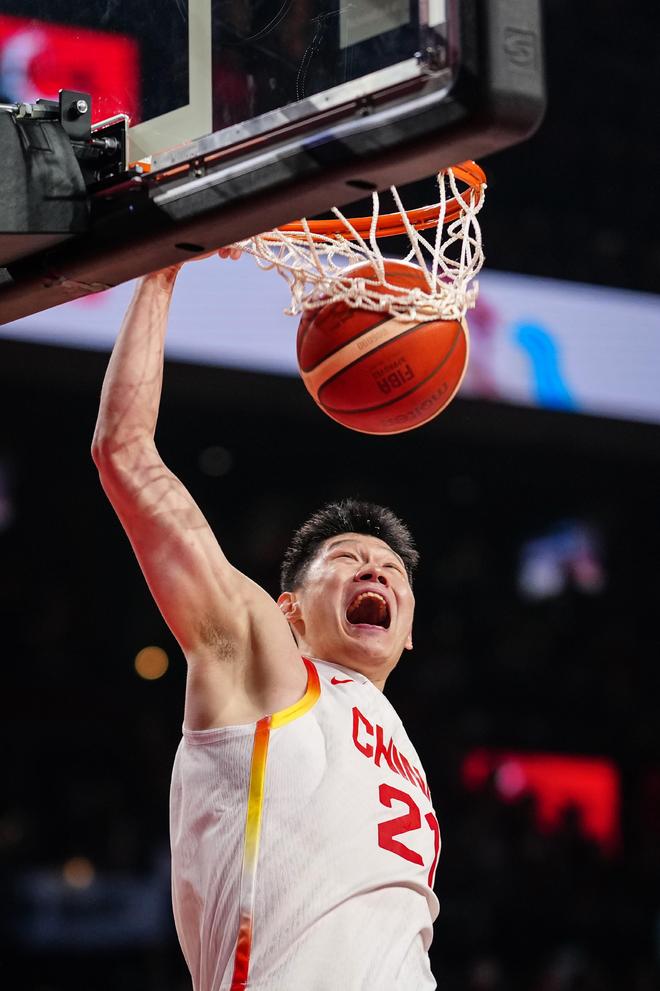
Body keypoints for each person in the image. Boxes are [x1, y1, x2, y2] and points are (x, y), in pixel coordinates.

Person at [92, 258, 440, 990]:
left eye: (392, 570)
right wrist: (160, 271)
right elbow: (124, 454)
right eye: (346, 558)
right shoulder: (267, 667)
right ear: (289, 609)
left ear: (410, 630)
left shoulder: (402, 749)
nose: (375, 571)